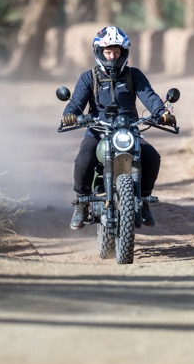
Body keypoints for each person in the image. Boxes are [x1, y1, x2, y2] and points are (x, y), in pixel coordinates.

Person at [61, 25, 176, 230]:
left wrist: (162, 113)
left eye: (116, 52)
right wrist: (70, 115)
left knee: (152, 157)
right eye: (108, 52)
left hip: (129, 129)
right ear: (99, 52)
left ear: (123, 53)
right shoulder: (89, 77)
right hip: (98, 130)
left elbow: (149, 97)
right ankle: (82, 203)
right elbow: (76, 103)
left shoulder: (134, 75)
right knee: (83, 158)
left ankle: (143, 201)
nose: (112, 57)